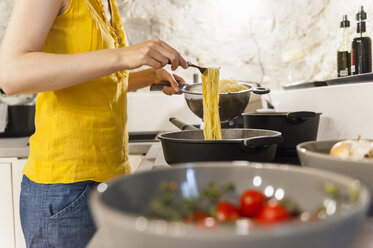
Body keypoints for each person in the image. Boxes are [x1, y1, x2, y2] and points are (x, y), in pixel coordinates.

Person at [0, 0, 188, 247]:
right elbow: (11, 74)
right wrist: (124, 55)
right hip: (66, 190)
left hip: (108, 181)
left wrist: (149, 77)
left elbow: (95, 81)